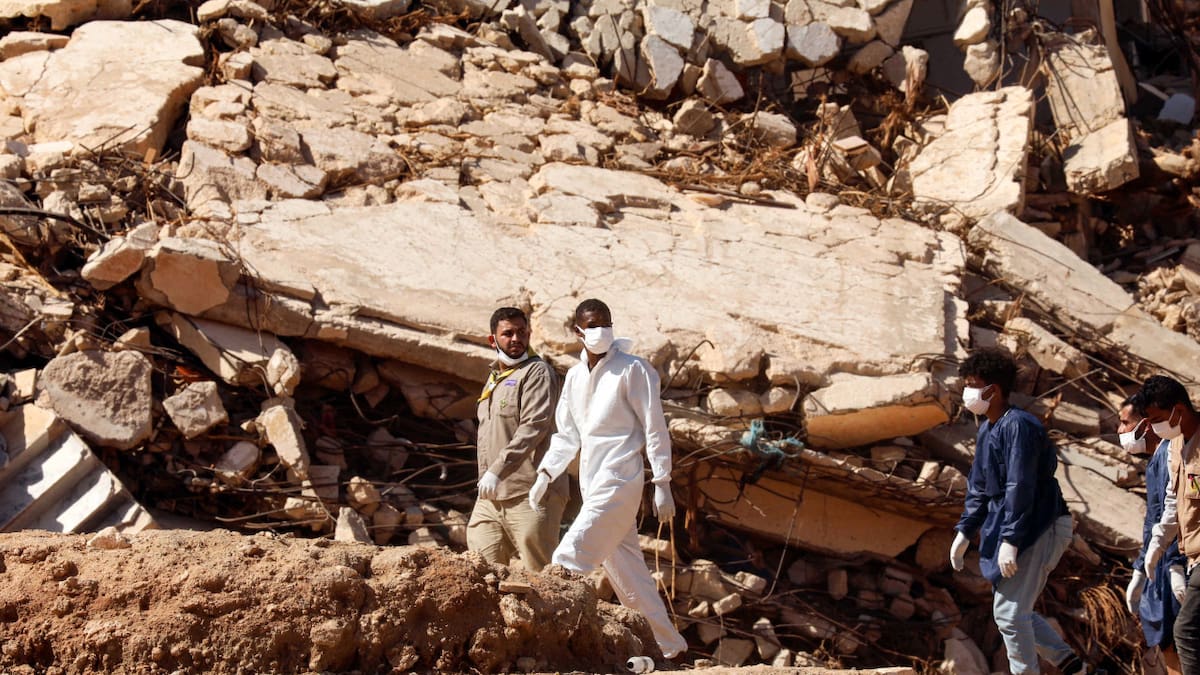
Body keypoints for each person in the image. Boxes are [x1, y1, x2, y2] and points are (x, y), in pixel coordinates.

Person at [529, 298, 688, 660]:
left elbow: (654, 427)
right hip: (592, 481)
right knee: (630, 577)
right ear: (578, 331)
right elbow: (567, 434)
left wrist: (662, 482)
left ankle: (543, 644)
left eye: (606, 323)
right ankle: (670, 648)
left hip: (621, 480)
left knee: (569, 557)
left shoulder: (634, 370)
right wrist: (547, 471)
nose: (601, 330)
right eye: (593, 324)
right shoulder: (573, 376)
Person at [948, 347, 1086, 674]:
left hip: (1039, 526)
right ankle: (1072, 667)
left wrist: (1012, 539)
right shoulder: (988, 429)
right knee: (1012, 610)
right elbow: (980, 486)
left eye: (972, 384)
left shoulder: (1019, 427)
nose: (967, 392)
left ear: (993, 390)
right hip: (1018, 527)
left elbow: (1019, 485)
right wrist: (965, 530)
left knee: (1010, 614)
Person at [466, 307, 568, 572]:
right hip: (491, 495)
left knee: (542, 575)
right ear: (493, 340)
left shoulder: (537, 373)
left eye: (521, 333)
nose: (515, 339)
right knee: (481, 570)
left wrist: (497, 470)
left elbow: (534, 426)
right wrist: (488, 476)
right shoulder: (495, 377)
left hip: (531, 492)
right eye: (507, 333)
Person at [1140, 376, 1200, 674]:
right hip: (1193, 556)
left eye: (1157, 419)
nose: (1152, 428)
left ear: (1178, 410)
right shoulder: (1176, 446)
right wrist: (1158, 545)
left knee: (1186, 631)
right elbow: (1173, 502)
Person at [1122, 392, 1184, 675]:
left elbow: (1176, 516)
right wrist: (1139, 567)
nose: (1120, 431)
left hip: (1175, 561)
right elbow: (1153, 522)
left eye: (1125, 422)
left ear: (1145, 425)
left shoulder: (1172, 456)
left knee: (1176, 640)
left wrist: (1174, 564)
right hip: (1160, 563)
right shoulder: (1157, 460)